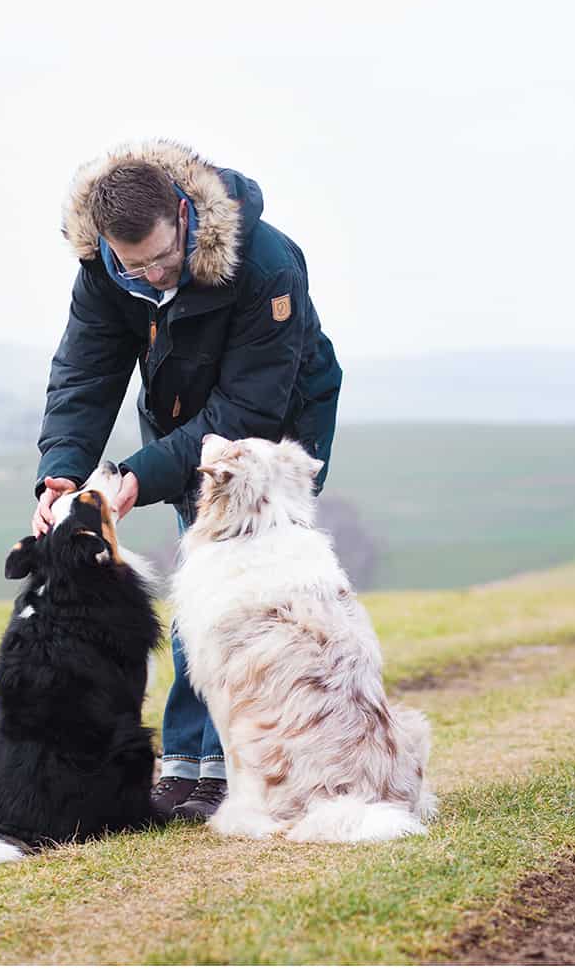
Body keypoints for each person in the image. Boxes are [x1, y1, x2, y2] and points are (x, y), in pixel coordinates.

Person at [30, 140, 343, 822]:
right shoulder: (105, 271)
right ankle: (190, 765)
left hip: (274, 432)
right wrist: (60, 473)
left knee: (253, 593)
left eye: (163, 260)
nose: (151, 277)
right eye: (132, 267)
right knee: (200, 586)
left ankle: (252, 759)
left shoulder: (266, 265)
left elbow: (248, 410)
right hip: (179, 422)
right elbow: (85, 374)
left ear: (183, 214)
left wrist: (135, 477)